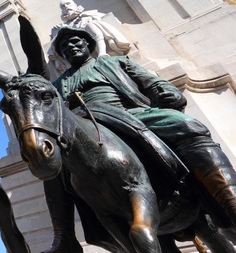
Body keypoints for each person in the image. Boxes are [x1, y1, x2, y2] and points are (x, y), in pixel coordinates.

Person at [42, 26, 236, 251]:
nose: (71, 47)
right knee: (51, 167)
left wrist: (165, 89)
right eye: (65, 47)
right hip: (83, 130)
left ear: (88, 45)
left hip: (129, 115)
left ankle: (228, 196)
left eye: (76, 42)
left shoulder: (115, 62)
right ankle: (64, 235)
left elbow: (151, 82)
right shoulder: (58, 86)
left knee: (187, 125)